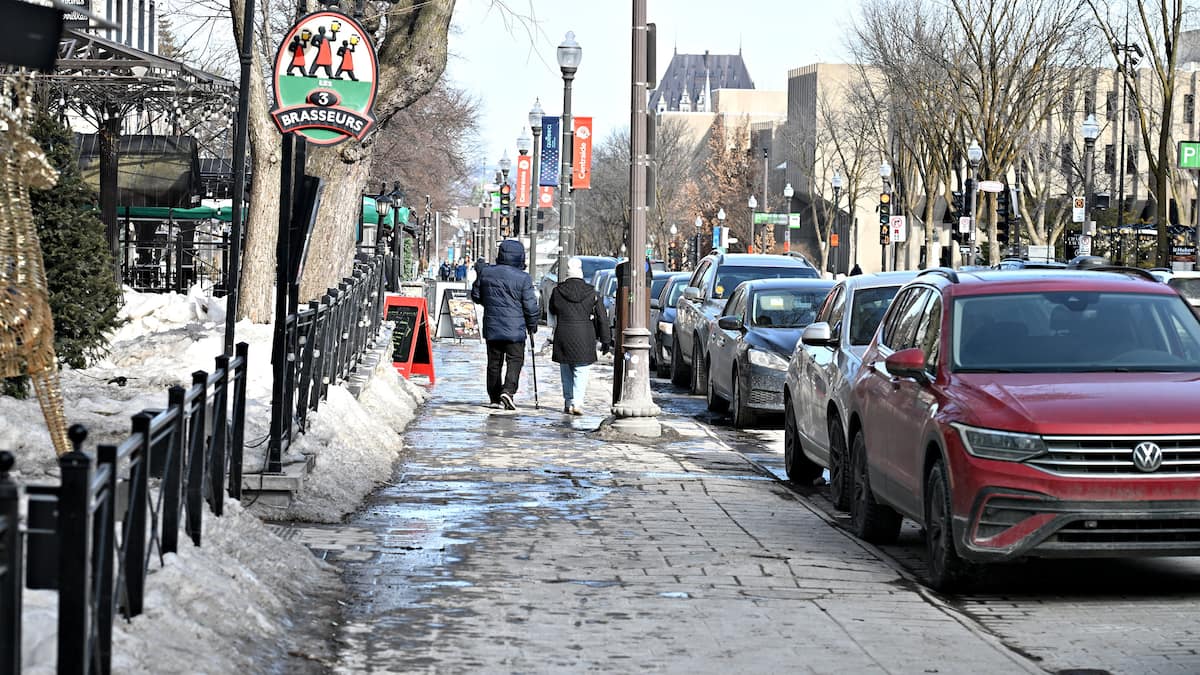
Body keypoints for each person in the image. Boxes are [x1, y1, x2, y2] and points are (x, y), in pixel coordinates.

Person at [471, 240, 539, 409]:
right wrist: (532, 325)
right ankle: (508, 391)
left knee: (494, 362)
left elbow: (476, 296)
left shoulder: (487, 273)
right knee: (515, 360)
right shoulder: (523, 278)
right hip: (515, 328)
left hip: (493, 326)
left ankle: (494, 397)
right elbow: (530, 306)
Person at [549, 257, 611, 415]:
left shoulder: (557, 291)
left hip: (563, 334)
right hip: (584, 335)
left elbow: (552, 311)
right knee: (581, 371)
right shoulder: (592, 293)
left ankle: (568, 400)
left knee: (566, 370)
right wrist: (605, 340)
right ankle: (577, 402)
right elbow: (602, 318)